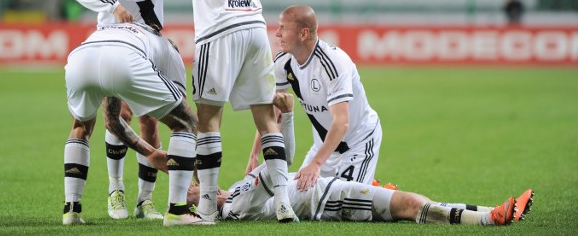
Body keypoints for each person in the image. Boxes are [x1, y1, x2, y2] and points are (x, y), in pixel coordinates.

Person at [123, 0, 297, 223]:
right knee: (266, 119)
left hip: (219, 31)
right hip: (254, 26)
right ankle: (283, 202)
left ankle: (205, 206)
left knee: (207, 121)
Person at [186, 92, 535, 226]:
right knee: (408, 205)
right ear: (196, 207)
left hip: (324, 189)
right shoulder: (235, 204)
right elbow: (281, 157)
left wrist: (273, 122)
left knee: (405, 202)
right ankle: (492, 219)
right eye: (192, 191)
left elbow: (267, 159)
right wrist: (288, 118)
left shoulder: (234, 192)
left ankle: (491, 211)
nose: (198, 185)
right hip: (324, 199)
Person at [71, 0, 177, 221]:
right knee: (120, 115)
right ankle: (115, 189)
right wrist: (113, 4)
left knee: (151, 119)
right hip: (114, 43)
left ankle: (145, 200)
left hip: (151, 41)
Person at [62, 22, 212, 226]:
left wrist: (149, 152)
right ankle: (178, 210)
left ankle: (71, 209)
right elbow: (184, 119)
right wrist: (199, 177)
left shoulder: (123, 31)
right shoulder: (170, 51)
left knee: (80, 127)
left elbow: (113, 120)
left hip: (79, 57)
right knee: (186, 122)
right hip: (124, 58)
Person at [247, 5, 382, 191]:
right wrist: (254, 154)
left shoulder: (333, 63)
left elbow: (341, 122)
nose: (277, 33)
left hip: (358, 142)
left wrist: (316, 164)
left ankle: (380, 190)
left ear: (303, 34)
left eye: (283, 28)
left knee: (346, 206)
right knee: (300, 197)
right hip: (324, 145)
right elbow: (270, 112)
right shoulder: (283, 62)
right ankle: (369, 185)